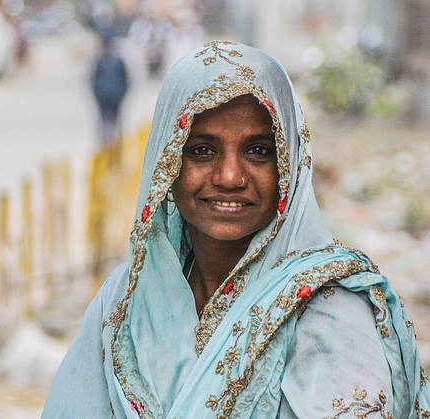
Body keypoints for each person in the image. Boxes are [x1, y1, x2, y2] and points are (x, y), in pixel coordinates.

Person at [42, 41, 430, 418]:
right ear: (166, 163)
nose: (229, 177)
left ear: (290, 167)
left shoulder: (332, 310)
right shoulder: (126, 301)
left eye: (259, 150)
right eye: (202, 150)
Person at [91, 36, 129, 145]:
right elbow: (93, 80)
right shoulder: (99, 62)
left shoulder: (118, 62)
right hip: (103, 97)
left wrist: (121, 93)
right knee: (104, 120)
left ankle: (115, 143)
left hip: (115, 97)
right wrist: (98, 93)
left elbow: (125, 80)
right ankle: (105, 142)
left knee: (116, 119)